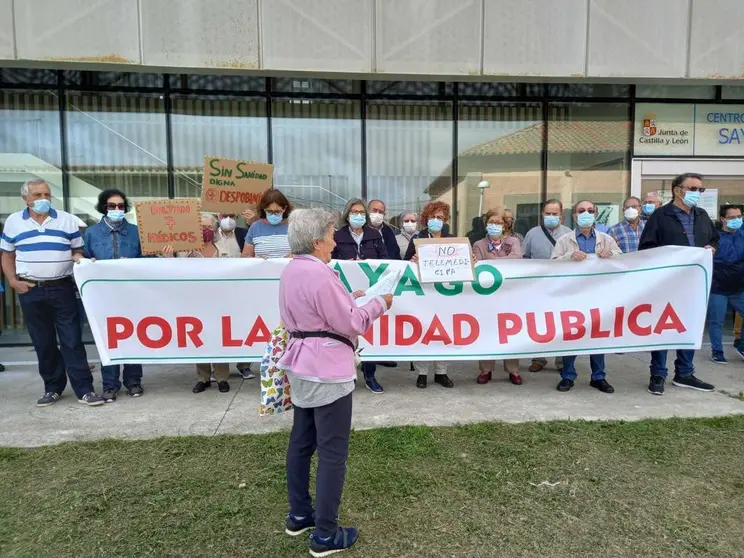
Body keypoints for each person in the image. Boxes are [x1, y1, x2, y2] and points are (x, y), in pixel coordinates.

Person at [279, 208, 393, 556]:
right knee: (332, 452)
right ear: (316, 241)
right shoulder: (319, 274)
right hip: (327, 368)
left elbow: (323, 312)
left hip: (302, 364)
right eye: (330, 233)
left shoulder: (293, 270)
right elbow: (351, 324)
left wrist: (352, 298)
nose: (335, 239)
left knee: (302, 441)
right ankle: (326, 534)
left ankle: (300, 513)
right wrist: (378, 304)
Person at [0, 179, 103, 407]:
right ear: (25, 198)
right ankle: (52, 388)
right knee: (43, 341)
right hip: (30, 290)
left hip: (62, 287)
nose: (43, 199)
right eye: (37, 195)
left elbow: (77, 249)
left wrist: (78, 257)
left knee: (72, 340)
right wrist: (13, 281)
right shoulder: (13, 222)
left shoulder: (66, 220)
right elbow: (6, 255)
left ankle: (84, 389)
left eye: (47, 194)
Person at [639, 172, 718, 395]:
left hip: (694, 283)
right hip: (667, 284)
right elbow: (647, 248)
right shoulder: (660, 216)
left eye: (700, 190)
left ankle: (684, 373)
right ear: (678, 190)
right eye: (693, 189)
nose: (697, 194)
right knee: (663, 327)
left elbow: (713, 239)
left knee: (690, 326)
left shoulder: (702, 216)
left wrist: (712, 249)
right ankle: (658, 374)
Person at [551, 200, 621, 394]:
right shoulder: (564, 240)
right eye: (581, 211)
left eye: (590, 211)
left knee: (597, 336)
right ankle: (567, 376)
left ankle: (598, 377)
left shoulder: (606, 239)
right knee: (571, 335)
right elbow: (553, 265)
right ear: (574, 216)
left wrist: (611, 254)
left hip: (599, 295)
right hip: (572, 296)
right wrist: (569, 257)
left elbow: (622, 260)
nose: (586, 214)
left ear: (595, 214)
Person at [84, 189, 145, 401]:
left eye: (121, 206)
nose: (117, 209)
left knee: (133, 336)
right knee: (108, 340)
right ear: (103, 207)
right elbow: (83, 259)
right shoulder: (91, 234)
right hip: (103, 296)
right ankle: (110, 385)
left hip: (131, 295)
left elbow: (148, 260)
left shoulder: (137, 232)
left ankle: (133, 381)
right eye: (112, 206)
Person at [333, 199, 388, 392]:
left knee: (369, 332)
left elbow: (385, 259)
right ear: (347, 215)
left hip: (370, 289)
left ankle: (370, 375)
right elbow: (329, 259)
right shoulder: (337, 235)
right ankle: (347, 375)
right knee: (348, 331)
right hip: (345, 291)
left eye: (361, 212)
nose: (358, 215)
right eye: (354, 212)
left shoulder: (374, 235)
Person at [404, 201, 455, 388]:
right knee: (424, 331)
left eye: (440, 217)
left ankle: (442, 372)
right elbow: (405, 265)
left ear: (446, 220)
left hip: (445, 294)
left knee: (444, 332)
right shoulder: (417, 238)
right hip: (424, 293)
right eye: (433, 217)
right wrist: (413, 260)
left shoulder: (453, 240)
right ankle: (422, 372)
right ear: (426, 218)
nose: (436, 220)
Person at [472, 209, 523, 385]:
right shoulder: (478, 244)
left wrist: (492, 263)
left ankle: (513, 370)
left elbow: (518, 258)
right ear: (486, 224)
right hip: (487, 296)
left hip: (509, 295)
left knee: (510, 331)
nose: (495, 226)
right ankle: (486, 369)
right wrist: (502, 262)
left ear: (505, 225)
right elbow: (478, 265)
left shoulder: (514, 241)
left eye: (499, 223)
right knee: (487, 331)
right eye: (492, 222)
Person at [523, 199, 571, 373]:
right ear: (542, 214)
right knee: (538, 322)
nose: (551, 217)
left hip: (561, 286)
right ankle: (538, 357)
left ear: (561, 216)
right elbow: (524, 259)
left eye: (555, 214)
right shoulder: (532, 234)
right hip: (537, 287)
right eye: (548, 213)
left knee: (562, 322)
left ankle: (561, 360)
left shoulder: (569, 234)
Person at [706, 205, 744, 364]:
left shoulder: (742, 235)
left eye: (739, 216)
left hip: (739, 287)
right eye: (732, 217)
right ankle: (717, 351)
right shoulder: (715, 237)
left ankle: (741, 346)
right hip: (718, 287)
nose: (737, 220)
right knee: (717, 321)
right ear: (723, 219)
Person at [242, 189, 292, 260]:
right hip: (262, 270)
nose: (273, 215)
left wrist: (295, 256)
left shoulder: (294, 226)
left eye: (277, 211)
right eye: (269, 211)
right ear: (263, 209)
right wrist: (255, 260)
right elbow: (245, 256)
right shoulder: (255, 227)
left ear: (284, 208)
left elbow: (306, 254)